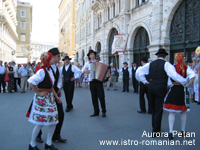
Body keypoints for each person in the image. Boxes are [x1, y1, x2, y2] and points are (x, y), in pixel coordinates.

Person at [139, 49, 188, 137]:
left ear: (157, 56)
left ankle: (155, 127)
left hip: (151, 86)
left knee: (153, 107)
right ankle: (156, 131)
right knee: (158, 108)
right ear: (165, 56)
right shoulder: (166, 64)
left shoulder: (151, 63)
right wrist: (184, 81)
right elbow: (174, 75)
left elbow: (139, 72)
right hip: (160, 87)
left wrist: (145, 81)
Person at [28, 52, 61, 150]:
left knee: (54, 121)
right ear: (48, 60)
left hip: (50, 98)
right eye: (52, 58)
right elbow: (30, 81)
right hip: (42, 99)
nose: (54, 59)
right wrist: (39, 92)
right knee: (41, 122)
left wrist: (56, 96)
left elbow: (50, 86)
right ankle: (32, 144)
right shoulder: (42, 71)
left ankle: (48, 143)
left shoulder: (49, 69)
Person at [163, 53, 196, 140]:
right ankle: (183, 131)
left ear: (175, 58)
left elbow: (169, 82)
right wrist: (188, 85)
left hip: (173, 90)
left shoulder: (172, 68)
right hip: (182, 90)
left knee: (172, 112)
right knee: (183, 111)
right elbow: (193, 75)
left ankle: (170, 132)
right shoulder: (186, 67)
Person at [82, 49, 110, 117]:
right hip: (92, 81)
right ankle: (96, 111)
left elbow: (106, 69)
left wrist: (107, 75)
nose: (92, 55)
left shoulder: (100, 62)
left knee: (101, 97)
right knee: (94, 97)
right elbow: (82, 70)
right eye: (91, 54)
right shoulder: (88, 63)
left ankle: (104, 111)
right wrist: (86, 71)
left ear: (95, 55)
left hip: (99, 81)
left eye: (93, 54)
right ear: (89, 56)